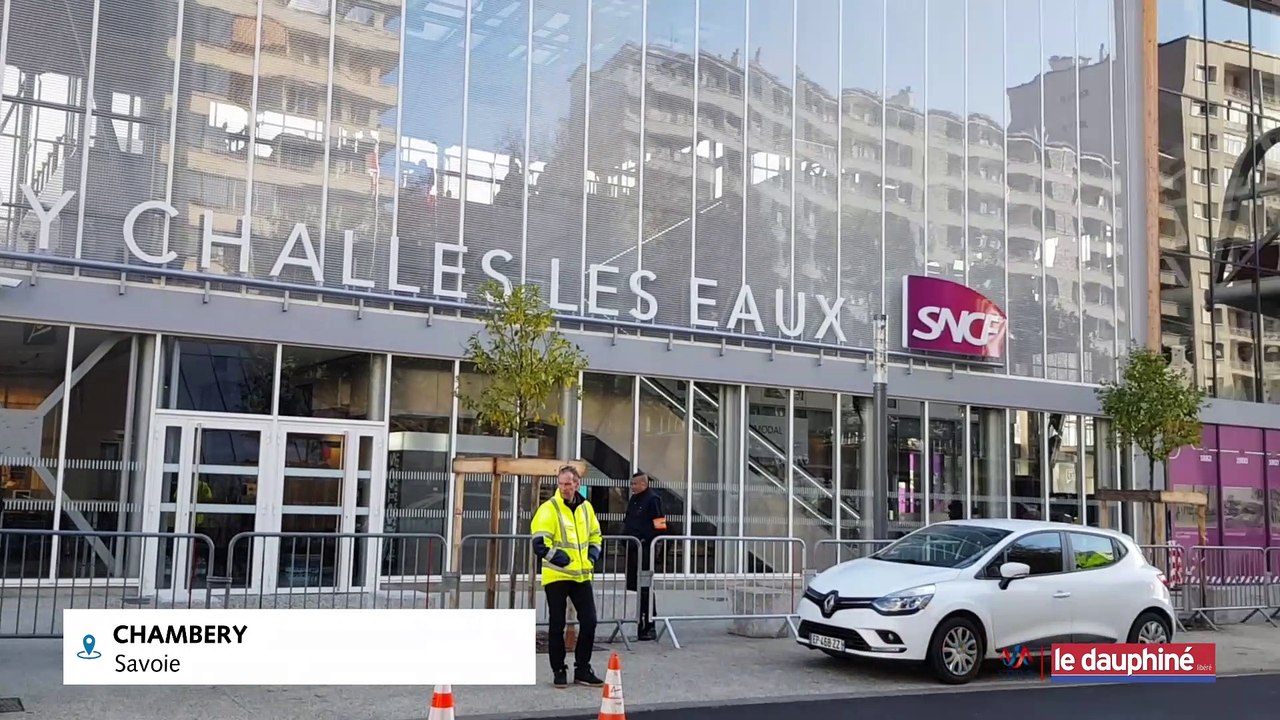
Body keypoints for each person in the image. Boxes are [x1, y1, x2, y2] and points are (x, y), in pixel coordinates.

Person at [530, 465, 605, 688]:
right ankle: (559, 670)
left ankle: (582, 669)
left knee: (589, 621)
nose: (564, 488)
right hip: (557, 576)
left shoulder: (586, 508)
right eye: (561, 483)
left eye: (568, 483)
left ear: (577, 484)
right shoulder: (549, 509)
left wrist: (592, 556)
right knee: (557, 624)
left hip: (581, 575)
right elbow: (539, 543)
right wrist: (561, 559)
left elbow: (596, 535)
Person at [623, 471, 666, 641]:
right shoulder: (634, 499)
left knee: (645, 587)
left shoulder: (653, 499)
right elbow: (629, 521)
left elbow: (660, 525)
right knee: (632, 586)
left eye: (635, 484)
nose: (632, 487)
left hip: (645, 549)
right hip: (632, 548)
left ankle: (649, 624)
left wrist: (647, 540)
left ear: (644, 484)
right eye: (631, 484)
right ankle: (637, 622)